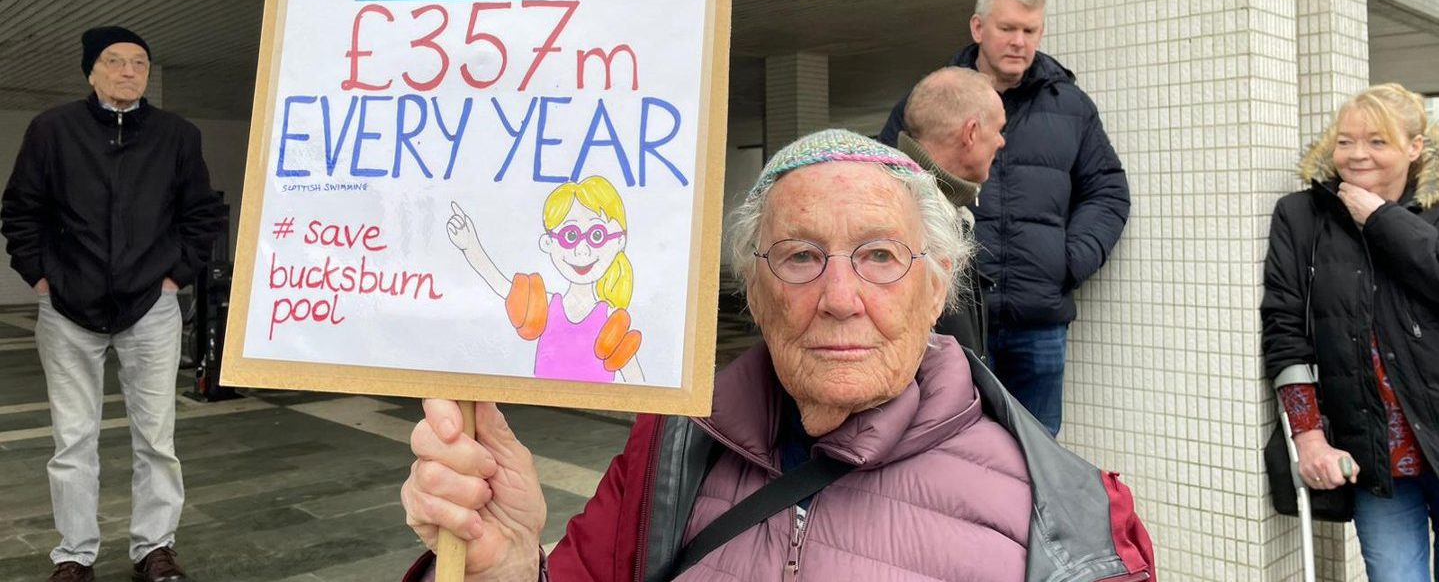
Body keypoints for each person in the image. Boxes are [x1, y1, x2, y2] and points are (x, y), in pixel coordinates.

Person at [399, 130, 1154, 581]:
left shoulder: (1072, 521)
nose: (838, 295)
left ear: (937, 287)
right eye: (798, 257)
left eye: (880, 255)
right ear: (753, 293)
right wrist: (505, 563)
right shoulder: (667, 448)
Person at [1, 27, 225, 582]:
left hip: (151, 306)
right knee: (72, 440)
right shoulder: (52, 130)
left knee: (157, 437)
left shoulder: (177, 135)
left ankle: (155, 549)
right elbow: (21, 210)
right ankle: (74, 555)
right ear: (90, 71)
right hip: (67, 310)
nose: (129, 71)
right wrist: (40, 277)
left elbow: (202, 214)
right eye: (115, 61)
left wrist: (174, 278)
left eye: (140, 63)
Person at [879, 0, 1129, 437]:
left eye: (1029, 30)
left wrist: (1066, 262)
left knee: (1037, 449)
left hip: (1038, 320)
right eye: (1007, 28)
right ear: (978, 28)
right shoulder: (935, 96)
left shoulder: (1071, 106)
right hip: (950, 314)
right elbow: (888, 182)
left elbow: (1108, 190)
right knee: (951, 443)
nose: (1019, 41)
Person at [1261, 83, 1439, 581]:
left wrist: (1382, 219)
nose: (1357, 154)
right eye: (1346, 140)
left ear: (1414, 147)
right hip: (1373, 451)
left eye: (1377, 141)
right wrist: (1310, 436)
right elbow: (1284, 324)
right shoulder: (1301, 216)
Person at [446, 176, 644, 383]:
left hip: (589, 409)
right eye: (570, 236)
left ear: (619, 240)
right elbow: (501, 285)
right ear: (548, 242)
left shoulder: (613, 323)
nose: (582, 250)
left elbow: (640, 387)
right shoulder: (545, 306)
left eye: (597, 235)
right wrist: (470, 246)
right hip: (538, 408)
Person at [893, 65, 1006, 358]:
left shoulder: (942, 206)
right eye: (998, 129)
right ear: (971, 133)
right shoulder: (904, 214)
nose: (1001, 141)